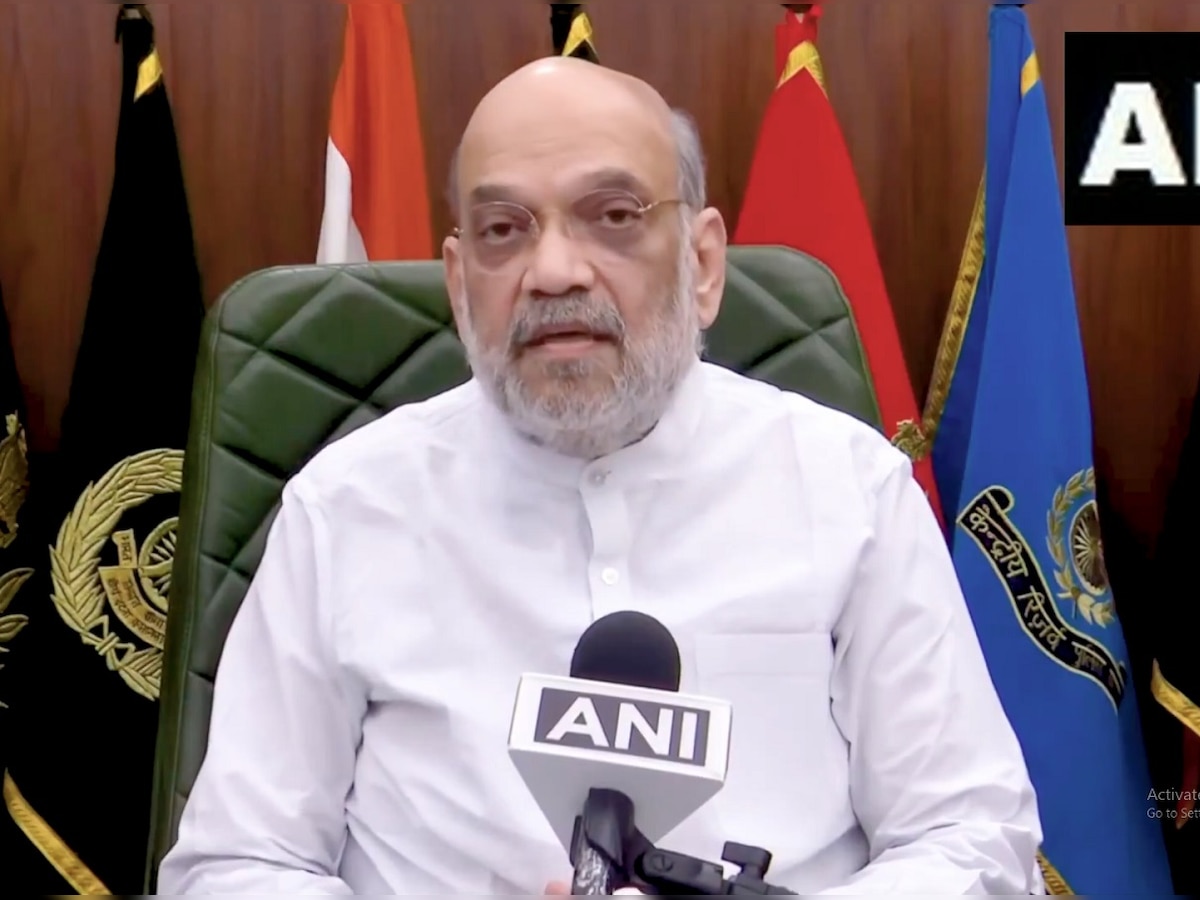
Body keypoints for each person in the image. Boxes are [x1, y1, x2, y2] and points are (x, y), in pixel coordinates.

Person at [155, 56, 1044, 895]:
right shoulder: (345, 509)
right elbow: (235, 865)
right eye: (504, 230)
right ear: (460, 285)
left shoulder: (851, 491)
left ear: (702, 264)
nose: (552, 272)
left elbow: (974, 840)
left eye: (613, 216)